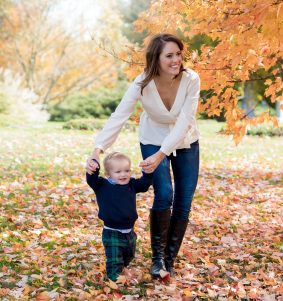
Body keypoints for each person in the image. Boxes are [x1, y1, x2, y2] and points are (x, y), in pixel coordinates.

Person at [86, 33, 200, 278]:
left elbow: (184, 121)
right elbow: (120, 114)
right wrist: (98, 148)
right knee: (164, 194)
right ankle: (157, 258)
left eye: (178, 54)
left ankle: (167, 261)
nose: (176, 60)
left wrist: (163, 154)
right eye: (169, 55)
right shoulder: (142, 83)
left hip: (186, 140)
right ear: (155, 59)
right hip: (152, 138)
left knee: (183, 201)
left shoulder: (191, 79)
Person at [86, 152, 153, 281]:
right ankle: (114, 279)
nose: (123, 174)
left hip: (129, 232)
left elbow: (144, 185)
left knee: (128, 255)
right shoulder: (102, 185)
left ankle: (122, 268)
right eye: (118, 172)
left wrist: (148, 173)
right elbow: (91, 179)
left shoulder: (131, 184)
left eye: (127, 170)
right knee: (114, 258)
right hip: (112, 231)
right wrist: (94, 168)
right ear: (108, 174)